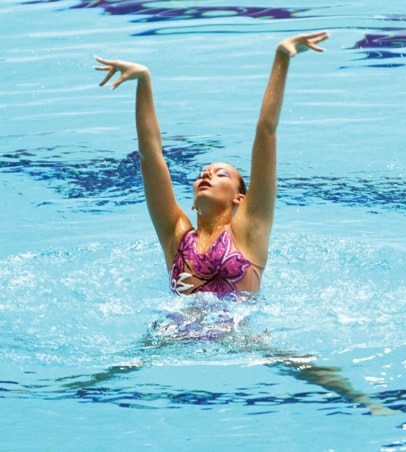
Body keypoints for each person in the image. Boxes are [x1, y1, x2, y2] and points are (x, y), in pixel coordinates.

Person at [95, 31, 329, 296]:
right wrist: (143, 81)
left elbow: (266, 132)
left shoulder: (249, 230)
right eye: (202, 173)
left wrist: (282, 57)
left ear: (240, 198)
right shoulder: (176, 236)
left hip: (237, 338)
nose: (207, 175)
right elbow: (151, 157)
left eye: (221, 175)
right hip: (174, 336)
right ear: (193, 200)